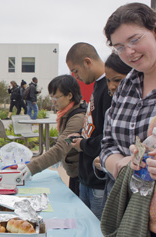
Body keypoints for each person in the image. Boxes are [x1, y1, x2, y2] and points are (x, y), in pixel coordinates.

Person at [99, 3, 156, 236]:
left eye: (134, 40)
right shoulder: (127, 85)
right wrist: (120, 164)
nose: (129, 52)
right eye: (120, 47)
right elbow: (107, 143)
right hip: (130, 211)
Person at [66, 42, 112, 220]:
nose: (75, 77)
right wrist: (80, 137)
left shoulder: (109, 88)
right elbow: (95, 128)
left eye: (75, 71)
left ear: (87, 62)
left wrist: (83, 144)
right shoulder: (97, 86)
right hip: (86, 176)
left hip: (98, 180)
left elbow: (109, 137)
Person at [18, 75, 86, 196]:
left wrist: (31, 168)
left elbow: (61, 148)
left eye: (56, 97)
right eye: (51, 97)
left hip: (82, 176)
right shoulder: (66, 113)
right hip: (76, 173)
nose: (53, 101)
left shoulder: (77, 118)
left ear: (70, 96)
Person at [93, 53, 131, 202]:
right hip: (114, 193)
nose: (112, 86)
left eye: (118, 80)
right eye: (108, 81)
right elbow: (107, 146)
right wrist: (105, 161)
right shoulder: (112, 111)